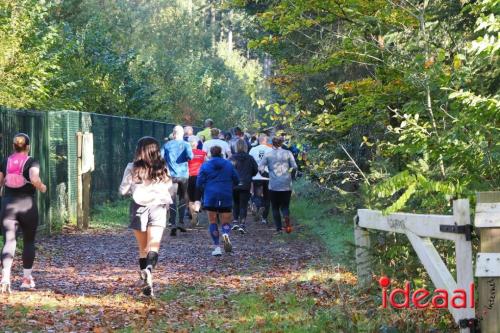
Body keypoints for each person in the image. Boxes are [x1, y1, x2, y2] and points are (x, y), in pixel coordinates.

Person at [119, 137, 172, 297]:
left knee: (142, 249)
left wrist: (131, 187)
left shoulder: (132, 167)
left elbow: (123, 190)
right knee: (153, 246)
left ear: (139, 150)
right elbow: (169, 186)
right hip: (159, 207)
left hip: (139, 207)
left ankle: (145, 278)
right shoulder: (162, 166)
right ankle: (149, 270)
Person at [0, 133, 47, 293]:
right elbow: (34, 178)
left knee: (9, 240)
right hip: (27, 204)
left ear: (14, 146)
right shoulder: (32, 161)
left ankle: (5, 278)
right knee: (28, 241)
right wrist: (42, 187)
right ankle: (26, 279)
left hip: (8, 204)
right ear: (28, 146)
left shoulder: (6, 161)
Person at [196, 146, 239, 256]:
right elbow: (237, 179)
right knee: (225, 221)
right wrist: (230, 186)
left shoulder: (205, 165)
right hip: (226, 195)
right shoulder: (229, 164)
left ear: (210, 153)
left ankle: (216, 247)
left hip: (211, 196)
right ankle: (225, 234)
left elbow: (199, 182)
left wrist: (206, 187)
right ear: (221, 153)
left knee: (213, 221)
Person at [259, 136, 298, 234]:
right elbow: (295, 167)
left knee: (275, 207)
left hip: (274, 184)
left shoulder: (268, 154)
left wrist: (267, 175)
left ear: (272, 143)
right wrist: (290, 175)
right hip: (286, 184)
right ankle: (286, 218)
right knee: (285, 206)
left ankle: (279, 229)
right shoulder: (288, 153)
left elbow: (260, 168)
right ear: (282, 143)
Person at [162, 126, 193, 236]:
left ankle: (172, 223)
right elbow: (190, 156)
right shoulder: (186, 144)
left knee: (172, 198)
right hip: (183, 174)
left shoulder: (167, 145)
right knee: (183, 196)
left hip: (171, 175)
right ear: (182, 134)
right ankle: (181, 222)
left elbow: (161, 158)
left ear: (173, 134)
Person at [230, 139, 258, 234]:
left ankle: (235, 221)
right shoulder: (250, 158)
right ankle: (242, 224)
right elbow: (255, 170)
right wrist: (250, 175)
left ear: (236, 147)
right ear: (246, 147)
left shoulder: (232, 158)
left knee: (235, 203)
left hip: (234, 184)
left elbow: (228, 170)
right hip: (246, 183)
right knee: (243, 205)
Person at [249, 134, 273, 224]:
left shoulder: (253, 149)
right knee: (267, 197)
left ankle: (257, 204)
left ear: (259, 140)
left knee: (257, 195)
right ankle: (264, 218)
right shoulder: (270, 150)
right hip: (268, 176)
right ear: (266, 140)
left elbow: (250, 162)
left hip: (256, 176)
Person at [187, 139, 207, 226]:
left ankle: (193, 216)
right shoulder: (202, 153)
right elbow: (207, 163)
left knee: (191, 199)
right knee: (198, 198)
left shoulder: (187, 153)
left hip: (190, 176)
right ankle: (196, 212)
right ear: (197, 144)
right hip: (200, 177)